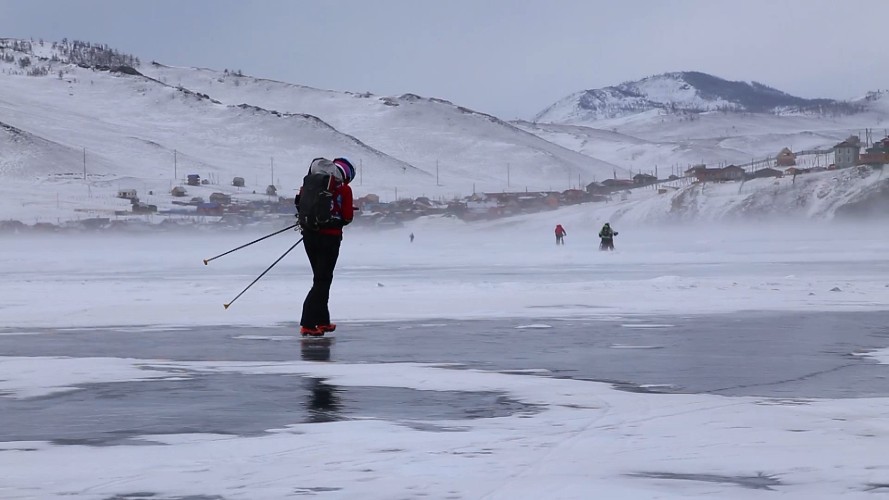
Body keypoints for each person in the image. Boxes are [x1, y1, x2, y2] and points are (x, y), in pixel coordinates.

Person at [298, 157, 355, 336]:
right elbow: (347, 217)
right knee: (322, 280)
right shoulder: (344, 189)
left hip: (309, 236)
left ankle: (323, 320)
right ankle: (307, 323)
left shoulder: (309, 185)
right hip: (329, 239)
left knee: (320, 278)